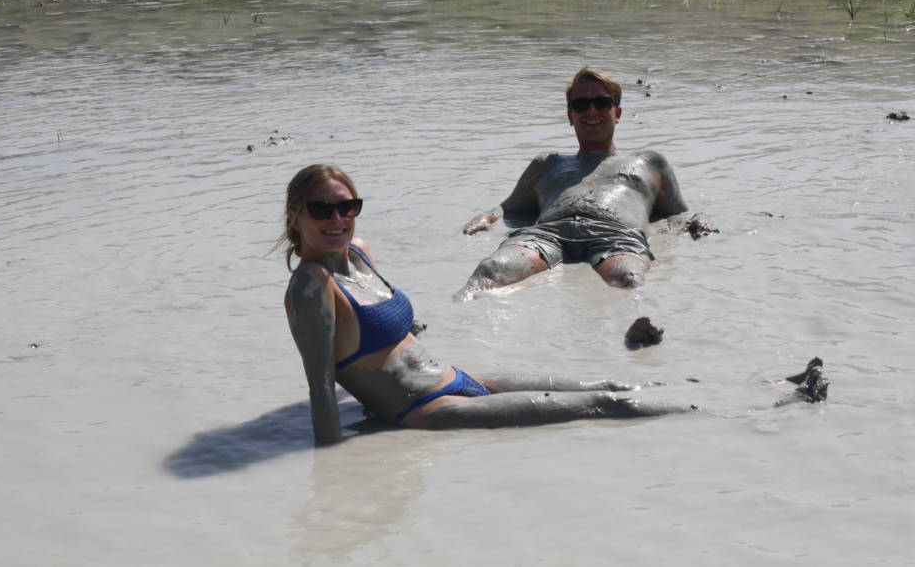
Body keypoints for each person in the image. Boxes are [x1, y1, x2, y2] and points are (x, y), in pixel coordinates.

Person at [279, 165, 823, 444]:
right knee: (605, 407)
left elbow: (393, 337)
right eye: (321, 209)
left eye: (347, 205)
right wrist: (331, 481)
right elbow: (321, 386)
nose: (337, 218)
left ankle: (765, 384)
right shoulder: (310, 287)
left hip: (460, 378)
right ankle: (759, 414)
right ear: (296, 217)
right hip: (426, 411)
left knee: (606, 383)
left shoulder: (360, 253)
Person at [458, 66, 716, 301]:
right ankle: (448, 326)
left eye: (602, 103)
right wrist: (487, 217)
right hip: (549, 233)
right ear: (571, 116)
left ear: (618, 113)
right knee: (489, 270)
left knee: (629, 278)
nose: (591, 110)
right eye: (581, 105)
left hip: (617, 234)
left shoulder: (650, 161)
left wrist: (700, 217)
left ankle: (639, 335)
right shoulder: (546, 163)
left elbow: (677, 214)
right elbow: (510, 207)